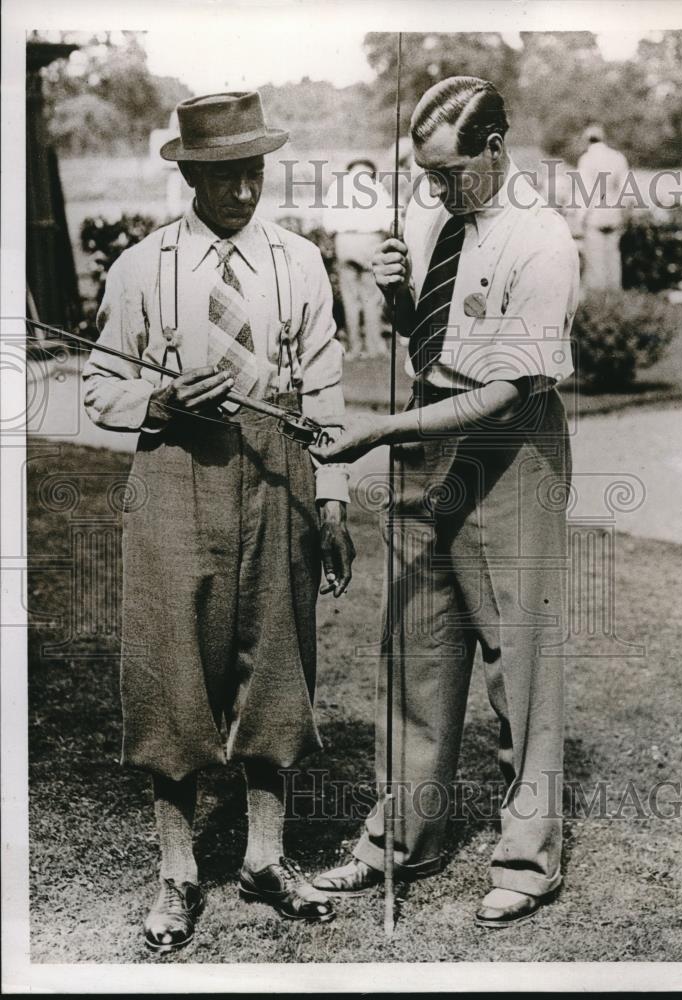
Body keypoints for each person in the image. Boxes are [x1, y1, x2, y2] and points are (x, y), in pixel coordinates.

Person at [82, 91, 356, 952]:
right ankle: (177, 873)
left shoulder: (299, 262)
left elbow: (326, 382)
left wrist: (337, 497)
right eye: (228, 174)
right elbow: (98, 388)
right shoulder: (141, 268)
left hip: (280, 469)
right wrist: (158, 398)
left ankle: (265, 859)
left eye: (256, 171)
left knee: (276, 659)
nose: (245, 189)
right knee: (172, 665)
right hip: (174, 470)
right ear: (192, 173)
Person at [311, 77, 579, 928]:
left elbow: (502, 389)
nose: (437, 189)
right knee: (416, 647)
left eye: (450, 172)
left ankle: (527, 860)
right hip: (432, 444)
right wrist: (397, 296)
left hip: (508, 453)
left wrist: (383, 431)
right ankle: (401, 840)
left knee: (517, 663)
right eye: (427, 175)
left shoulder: (543, 240)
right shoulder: (441, 222)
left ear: (496, 149)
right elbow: (437, 346)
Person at [322, 158, 394, 358]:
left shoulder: (338, 187)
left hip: (345, 242)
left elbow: (328, 222)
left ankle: (354, 347)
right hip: (371, 241)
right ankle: (374, 346)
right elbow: (389, 220)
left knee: (350, 298)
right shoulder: (376, 187)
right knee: (372, 298)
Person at [576, 124, 629, 291]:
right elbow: (625, 191)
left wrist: (581, 218)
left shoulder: (586, 159)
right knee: (613, 260)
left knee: (595, 264)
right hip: (613, 215)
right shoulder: (618, 157)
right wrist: (624, 214)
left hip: (594, 216)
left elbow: (585, 192)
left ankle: (598, 303)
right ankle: (615, 300)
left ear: (587, 140)